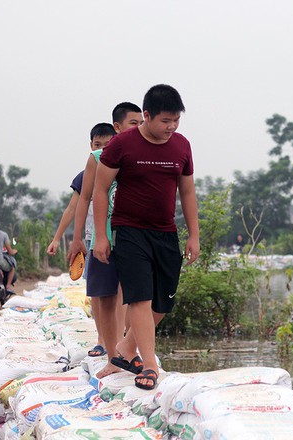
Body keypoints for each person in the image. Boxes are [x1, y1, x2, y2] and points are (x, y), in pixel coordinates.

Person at [93, 85, 199, 390]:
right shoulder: (122, 144)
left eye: (176, 120)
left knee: (163, 303)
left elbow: (188, 191)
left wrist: (194, 235)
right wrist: (102, 235)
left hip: (165, 233)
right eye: (165, 121)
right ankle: (149, 364)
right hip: (129, 230)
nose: (171, 127)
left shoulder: (181, 146)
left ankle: (124, 352)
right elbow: (100, 190)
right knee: (139, 295)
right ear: (147, 116)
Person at [67, 103, 144, 365]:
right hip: (104, 239)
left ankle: (127, 347)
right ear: (118, 127)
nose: (141, 127)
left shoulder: (141, 156)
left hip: (134, 238)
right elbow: (85, 198)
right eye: (135, 123)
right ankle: (112, 355)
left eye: (142, 122)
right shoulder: (98, 159)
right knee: (106, 297)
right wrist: (77, 239)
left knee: (139, 298)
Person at [47, 122, 116, 356]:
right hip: (93, 238)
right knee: (97, 293)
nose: (103, 150)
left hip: (120, 237)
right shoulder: (85, 175)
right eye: (98, 145)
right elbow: (72, 208)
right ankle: (101, 339)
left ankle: (117, 339)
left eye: (108, 145)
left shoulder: (124, 169)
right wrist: (58, 238)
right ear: (91, 146)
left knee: (119, 293)